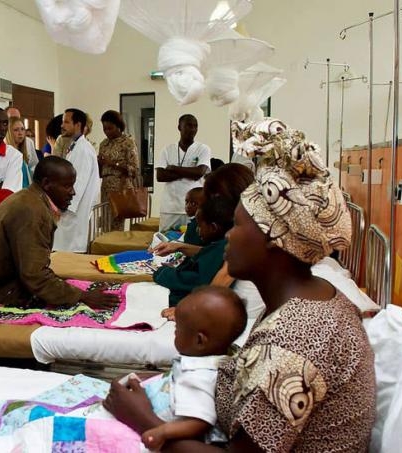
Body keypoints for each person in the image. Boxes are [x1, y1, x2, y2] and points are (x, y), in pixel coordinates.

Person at [105, 118, 376, 452]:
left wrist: (142, 418)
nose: (229, 235)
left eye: (239, 226)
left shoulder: (297, 340)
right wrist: (173, 384)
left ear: (275, 240)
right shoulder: (309, 298)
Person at [0, 156, 118, 312]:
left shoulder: (29, 198)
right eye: (68, 186)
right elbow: (36, 276)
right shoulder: (32, 211)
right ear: (47, 184)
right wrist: (82, 296)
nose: (73, 192)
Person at [134, 286, 248, 450]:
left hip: (163, 432)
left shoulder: (200, 376)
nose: (174, 333)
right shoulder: (214, 361)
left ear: (199, 341)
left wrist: (162, 432)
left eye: (177, 329)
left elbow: (200, 421)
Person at [153, 197, 231, 307]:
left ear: (213, 227)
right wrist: (179, 247)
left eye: (199, 225)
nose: (197, 230)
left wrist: (162, 272)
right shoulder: (217, 247)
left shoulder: (221, 249)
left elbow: (192, 281)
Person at [52, 108, 99, 253]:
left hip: (74, 213)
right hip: (71, 212)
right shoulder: (76, 146)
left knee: (70, 254)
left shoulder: (83, 150)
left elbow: (78, 184)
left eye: (66, 122)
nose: (62, 126)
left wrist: (62, 207)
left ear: (78, 125)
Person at [155, 114, 211, 232]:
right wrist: (189, 171)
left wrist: (174, 168)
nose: (192, 129)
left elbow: (199, 173)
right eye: (189, 125)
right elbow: (160, 176)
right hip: (170, 208)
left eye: (195, 126)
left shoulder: (203, 149)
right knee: (164, 242)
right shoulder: (167, 149)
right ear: (179, 127)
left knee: (191, 242)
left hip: (194, 208)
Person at [98, 110, 141, 231]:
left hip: (120, 187)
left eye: (110, 128)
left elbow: (134, 169)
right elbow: (101, 171)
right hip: (106, 187)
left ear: (119, 126)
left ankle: (115, 248)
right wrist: (99, 163)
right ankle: (104, 247)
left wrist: (112, 163)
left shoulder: (128, 142)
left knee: (116, 223)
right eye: (104, 128)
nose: (107, 132)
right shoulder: (103, 144)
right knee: (105, 222)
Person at [5, 116, 38, 188]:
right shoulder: (7, 153)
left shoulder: (25, 148)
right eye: (16, 130)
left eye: (22, 129)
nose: (20, 133)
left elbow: (33, 166)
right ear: (9, 132)